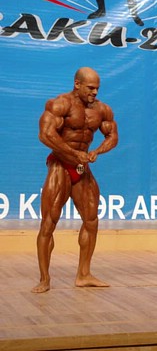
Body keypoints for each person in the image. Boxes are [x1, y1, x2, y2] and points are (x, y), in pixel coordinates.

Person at [33, 67, 118, 293]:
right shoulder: (60, 104)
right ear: (77, 84)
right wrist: (72, 153)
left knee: (91, 220)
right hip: (60, 164)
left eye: (97, 89)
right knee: (49, 222)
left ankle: (84, 274)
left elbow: (112, 136)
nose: (94, 92)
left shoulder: (102, 109)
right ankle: (44, 279)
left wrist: (97, 151)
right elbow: (45, 134)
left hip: (83, 167)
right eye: (90, 88)